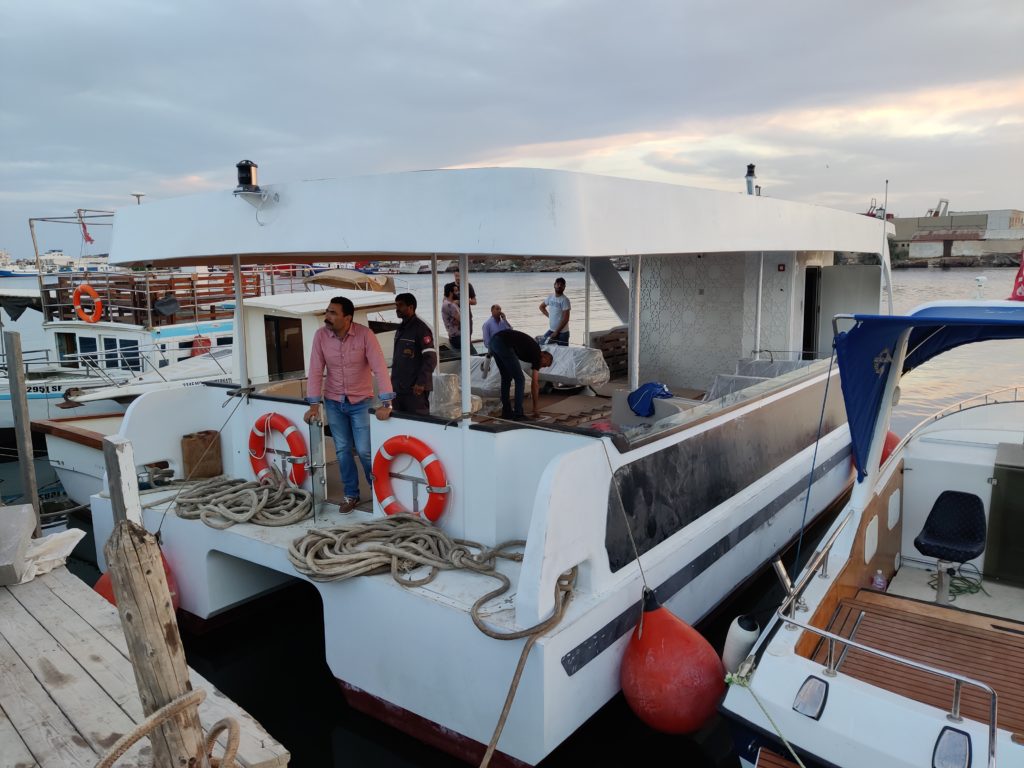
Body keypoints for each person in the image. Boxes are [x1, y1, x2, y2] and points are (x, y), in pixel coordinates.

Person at [304, 296, 394, 513]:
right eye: (327, 311)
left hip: (361, 402)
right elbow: (315, 370)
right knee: (343, 450)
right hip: (334, 402)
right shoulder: (320, 336)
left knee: (364, 451)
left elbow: (380, 368)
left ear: (348, 318)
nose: (327, 317)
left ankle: (378, 492)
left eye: (333, 313)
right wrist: (314, 404)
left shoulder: (365, 335)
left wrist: (387, 402)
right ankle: (351, 495)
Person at [487, 329, 553, 420]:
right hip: (503, 343)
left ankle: (506, 412)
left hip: (494, 341)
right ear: (544, 355)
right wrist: (535, 408)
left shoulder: (533, 351)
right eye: (545, 364)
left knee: (506, 378)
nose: (543, 367)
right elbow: (535, 384)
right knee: (520, 379)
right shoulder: (537, 354)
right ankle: (518, 414)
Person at [392, 292, 438, 415]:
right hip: (399, 389)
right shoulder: (400, 329)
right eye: (396, 305)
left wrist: (421, 382)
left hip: (415, 390)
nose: (397, 309)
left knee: (418, 426)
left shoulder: (421, 329)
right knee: (400, 424)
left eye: (400, 305)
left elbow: (431, 358)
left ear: (411, 307)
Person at [539, 276, 571, 345]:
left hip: (563, 333)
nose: (559, 286)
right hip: (552, 330)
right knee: (542, 344)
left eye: (562, 285)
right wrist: (549, 316)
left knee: (562, 353)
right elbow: (541, 307)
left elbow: (566, 319)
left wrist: (556, 332)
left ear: (564, 287)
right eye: (558, 284)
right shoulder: (550, 297)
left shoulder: (565, 300)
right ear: (554, 285)